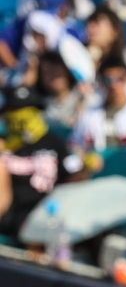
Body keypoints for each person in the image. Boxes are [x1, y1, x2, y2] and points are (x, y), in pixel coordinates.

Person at [0, 85, 81, 239]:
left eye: (28, 110)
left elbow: (73, 175)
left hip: (49, 210)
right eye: (14, 111)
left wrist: (86, 167)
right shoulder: (3, 145)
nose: (20, 118)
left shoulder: (53, 142)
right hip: (13, 213)